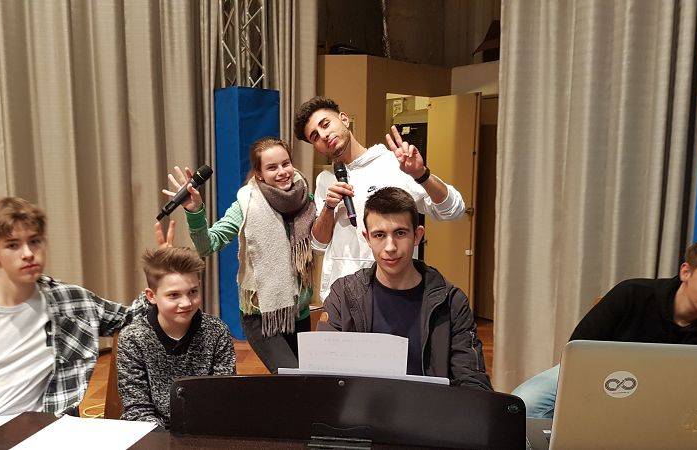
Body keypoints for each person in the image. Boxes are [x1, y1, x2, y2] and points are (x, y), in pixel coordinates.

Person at [0, 197, 148, 449]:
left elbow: (136, 317)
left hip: (50, 435)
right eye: (13, 245)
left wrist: (162, 274)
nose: (28, 253)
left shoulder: (71, 301)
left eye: (35, 241)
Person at [513, 237, 697, 418]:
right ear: (686, 272)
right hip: (600, 375)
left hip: (667, 395)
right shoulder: (632, 293)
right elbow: (577, 352)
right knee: (523, 404)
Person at [163, 137, 316, 373]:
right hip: (261, 315)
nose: (282, 172)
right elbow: (207, 245)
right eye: (272, 167)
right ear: (259, 174)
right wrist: (195, 212)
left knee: (306, 380)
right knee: (292, 377)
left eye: (286, 163)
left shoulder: (305, 197)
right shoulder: (246, 204)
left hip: (299, 312)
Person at [294, 96, 467, 300]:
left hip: (392, 292)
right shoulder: (326, 180)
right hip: (342, 296)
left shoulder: (393, 164)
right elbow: (319, 245)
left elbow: (453, 210)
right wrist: (329, 208)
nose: (323, 135)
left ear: (344, 119)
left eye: (325, 124)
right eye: (315, 136)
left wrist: (422, 175)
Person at [317, 187, 492, 390]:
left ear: (417, 236)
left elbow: (472, 381)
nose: (390, 247)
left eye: (400, 233)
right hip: (362, 407)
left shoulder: (451, 302)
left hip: (429, 407)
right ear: (367, 239)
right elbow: (324, 376)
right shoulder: (343, 295)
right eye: (379, 235)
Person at [117, 246, 236, 428]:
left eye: (193, 292)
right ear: (151, 296)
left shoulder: (217, 331)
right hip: (153, 433)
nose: (186, 303)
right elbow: (137, 409)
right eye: (174, 295)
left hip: (207, 429)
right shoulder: (132, 338)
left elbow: (223, 396)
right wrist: (165, 439)